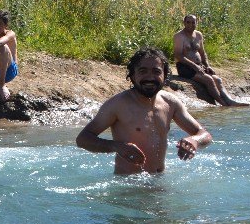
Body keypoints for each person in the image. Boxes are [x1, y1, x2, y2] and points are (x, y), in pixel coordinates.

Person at [76, 46, 213, 175]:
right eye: (143, 71)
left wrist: (194, 141)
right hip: (128, 184)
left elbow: (204, 134)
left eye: (156, 71)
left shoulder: (170, 102)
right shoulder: (118, 104)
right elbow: (83, 139)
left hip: (159, 180)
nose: (150, 77)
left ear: (165, 76)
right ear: (133, 75)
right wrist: (117, 146)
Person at [173, 14, 248, 106]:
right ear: (184, 23)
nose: (190, 25)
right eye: (188, 22)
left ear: (196, 23)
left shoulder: (198, 35)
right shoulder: (179, 36)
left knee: (218, 80)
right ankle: (223, 104)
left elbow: (202, 53)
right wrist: (194, 65)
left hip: (199, 66)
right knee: (209, 79)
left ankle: (230, 100)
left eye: (193, 22)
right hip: (185, 67)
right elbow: (178, 55)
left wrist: (207, 66)